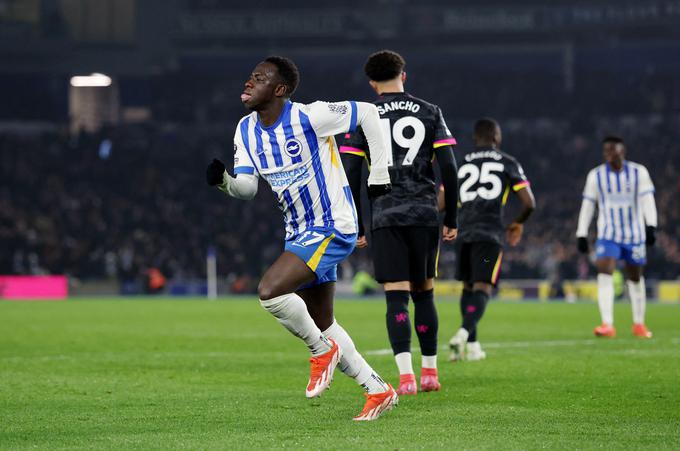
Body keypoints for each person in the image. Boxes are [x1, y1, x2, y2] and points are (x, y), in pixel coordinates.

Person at [206, 56, 398, 420]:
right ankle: (377, 389)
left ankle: (320, 351)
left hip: (332, 223)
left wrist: (379, 173)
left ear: (279, 90)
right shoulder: (245, 130)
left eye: (258, 79)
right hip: (298, 232)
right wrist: (224, 182)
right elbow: (247, 188)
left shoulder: (311, 116)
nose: (248, 83)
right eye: (249, 77)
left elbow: (370, 115)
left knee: (270, 291)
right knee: (323, 321)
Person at [341, 50, 459, 395]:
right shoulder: (430, 111)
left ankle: (405, 377)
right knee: (424, 294)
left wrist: (358, 224)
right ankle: (430, 374)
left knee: (396, 297)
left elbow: (351, 172)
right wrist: (450, 216)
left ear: (372, 83)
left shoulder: (365, 115)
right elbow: (449, 169)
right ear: (403, 76)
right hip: (423, 214)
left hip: (386, 215)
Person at [444, 118, 535, 361]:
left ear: (475, 138)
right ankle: (463, 334)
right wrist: (517, 223)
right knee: (482, 287)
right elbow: (529, 203)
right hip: (489, 233)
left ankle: (472, 346)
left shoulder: (460, 163)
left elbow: (441, 203)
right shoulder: (508, 162)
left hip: (464, 232)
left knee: (467, 286)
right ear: (496, 137)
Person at [576, 136, 657, 338]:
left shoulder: (639, 172)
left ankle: (639, 324)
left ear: (623, 151)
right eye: (606, 151)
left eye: (612, 150)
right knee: (604, 273)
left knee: (635, 278)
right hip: (608, 234)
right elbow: (588, 205)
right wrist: (581, 233)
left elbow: (648, 200)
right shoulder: (596, 176)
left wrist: (651, 226)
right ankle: (607, 324)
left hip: (634, 235)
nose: (608, 154)